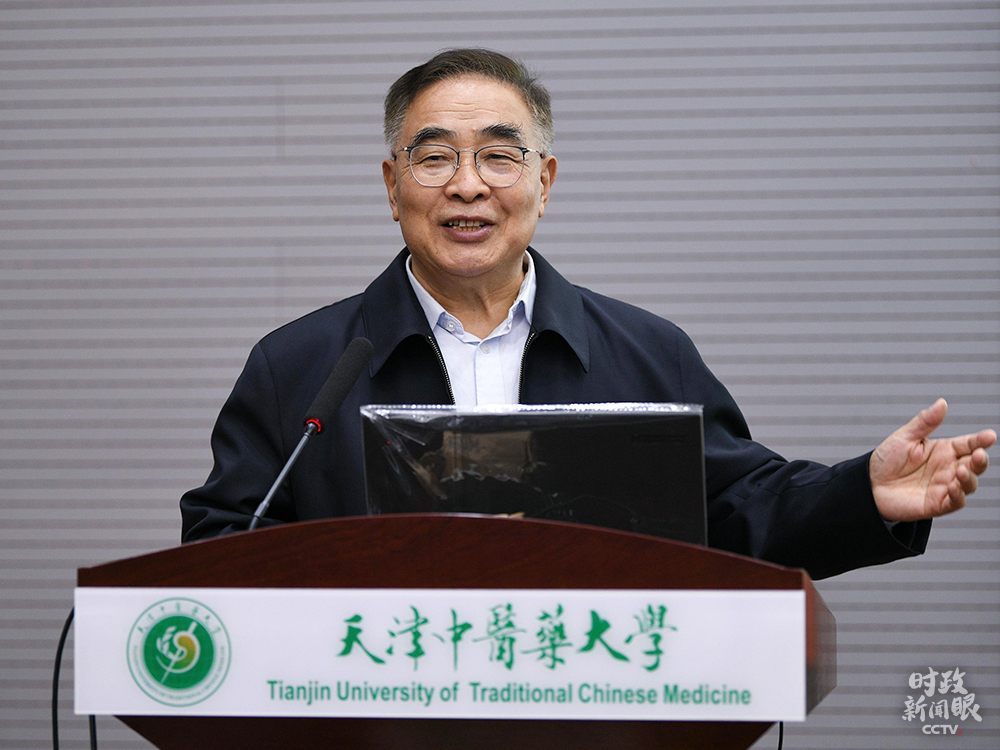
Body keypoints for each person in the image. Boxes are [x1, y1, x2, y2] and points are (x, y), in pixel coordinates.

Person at [180, 49, 994, 580]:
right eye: (434, 158)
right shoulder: (301, 366)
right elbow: (224, 549)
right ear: (393, 187)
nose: (468, 184)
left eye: (500, 156)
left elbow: (738, 511)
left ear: (545, 183)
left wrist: (862, 493)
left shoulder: (646, 353)